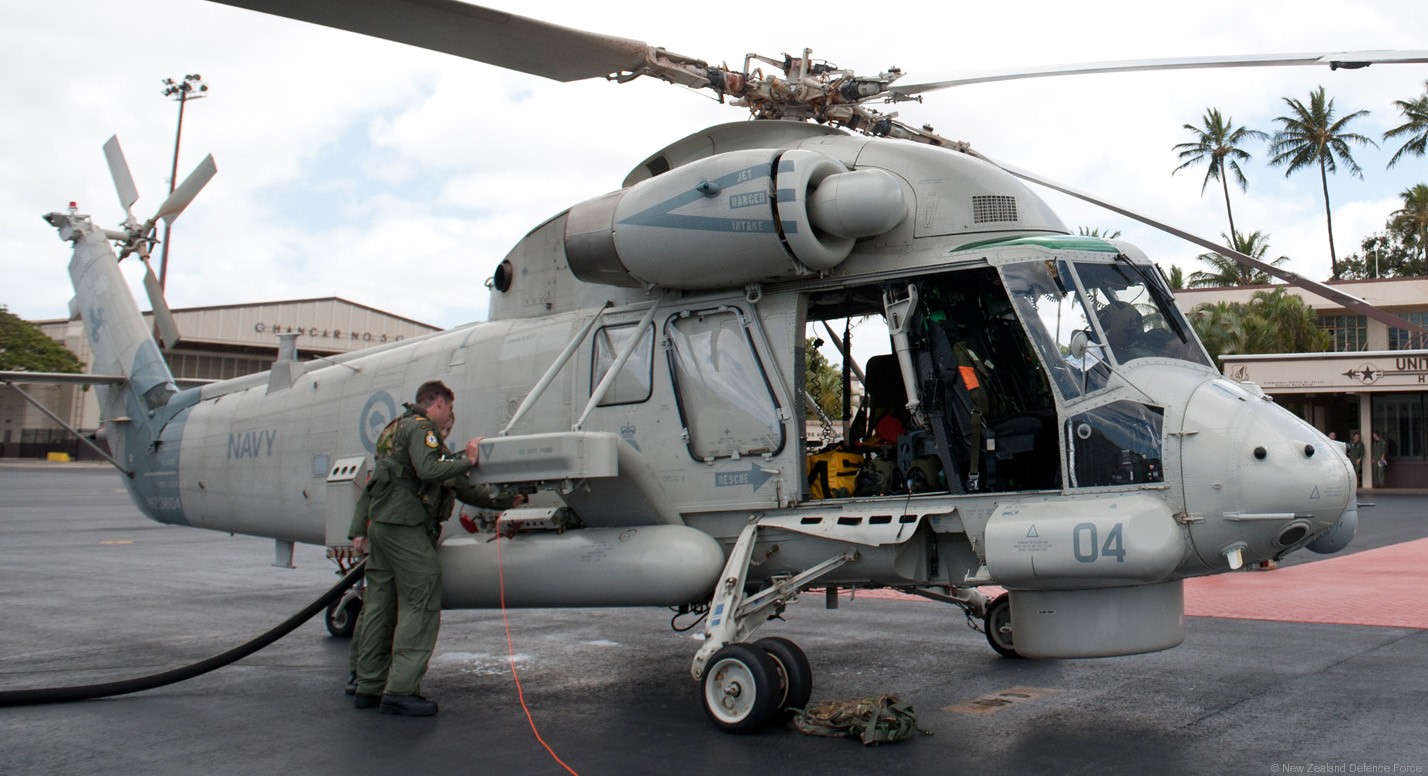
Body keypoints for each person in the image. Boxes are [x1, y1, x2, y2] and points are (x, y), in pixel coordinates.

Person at [349, 380, 484, 717]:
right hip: (404, 526)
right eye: (449, 410)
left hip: (380, 525)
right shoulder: (423, 429)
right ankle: (401, 689)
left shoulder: (393, 429)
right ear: (438, 403)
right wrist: (468, 460)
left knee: (380, 603)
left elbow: (375, 482)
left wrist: (357, 528)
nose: (448, 417)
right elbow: (429, 470)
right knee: (421, 596)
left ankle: (369, 685)